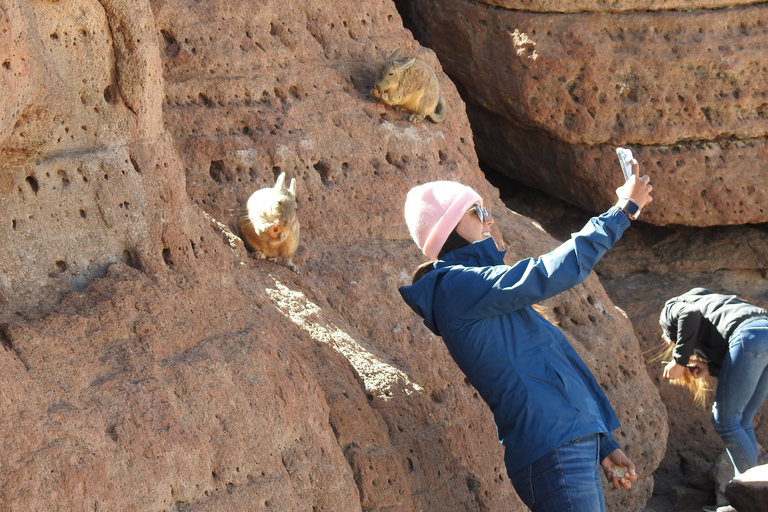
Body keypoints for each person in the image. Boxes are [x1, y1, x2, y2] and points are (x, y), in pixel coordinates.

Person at [398, 161, 652, 512]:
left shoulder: (477, 287)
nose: (489, 219)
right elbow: (544, 274)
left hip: (568, 446)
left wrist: (604, 444)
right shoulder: (454, 287)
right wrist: (623, 211)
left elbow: (553, 369)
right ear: (450, 226)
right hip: (553, 452)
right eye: (478, 211)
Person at [660, 287, 768, 480]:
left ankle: (751, 493)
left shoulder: (672, 308)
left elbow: (688, 314)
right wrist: (710, 367)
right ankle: (754, 496)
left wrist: (679, 361)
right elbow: (741, 363)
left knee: (726, 421)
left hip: (748, 335)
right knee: (743, 421)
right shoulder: (713, 305)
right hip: (761, 331)